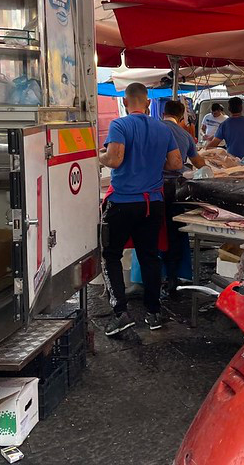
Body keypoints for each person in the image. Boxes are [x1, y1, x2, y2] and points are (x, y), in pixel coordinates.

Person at [100, 83, 182, 335]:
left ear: (125, 102)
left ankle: (120, 312)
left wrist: (99, 155)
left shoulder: (120, 125)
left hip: (123, 201)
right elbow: (177, 163)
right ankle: (154, 312)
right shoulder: (163, 128)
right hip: (153, 203)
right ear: (147, 103)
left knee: (110, 255)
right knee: (149, 255)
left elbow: (114, 159)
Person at [161, 100, 206, 292]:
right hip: (175, 190)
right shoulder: (185, 135)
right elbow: (199, 163)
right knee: (175, 233)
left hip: (151, 189)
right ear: (181, 118)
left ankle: (151, 279)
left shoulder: (154, 127)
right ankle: (172, 278)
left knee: (151, 232)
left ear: (163, 112)